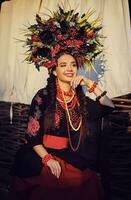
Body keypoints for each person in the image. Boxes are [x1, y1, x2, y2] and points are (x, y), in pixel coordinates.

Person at [9, 6, 114, 200]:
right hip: (41, 154)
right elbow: (31, 137)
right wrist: (48, 159)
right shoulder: (43, 96)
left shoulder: (78, 99)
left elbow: (109, 107)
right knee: (53, 186)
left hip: (66, 155)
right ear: (54, 71)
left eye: (73, 65)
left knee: (90, 181)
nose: (69, 69)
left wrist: (90, 85)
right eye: (63, 65)